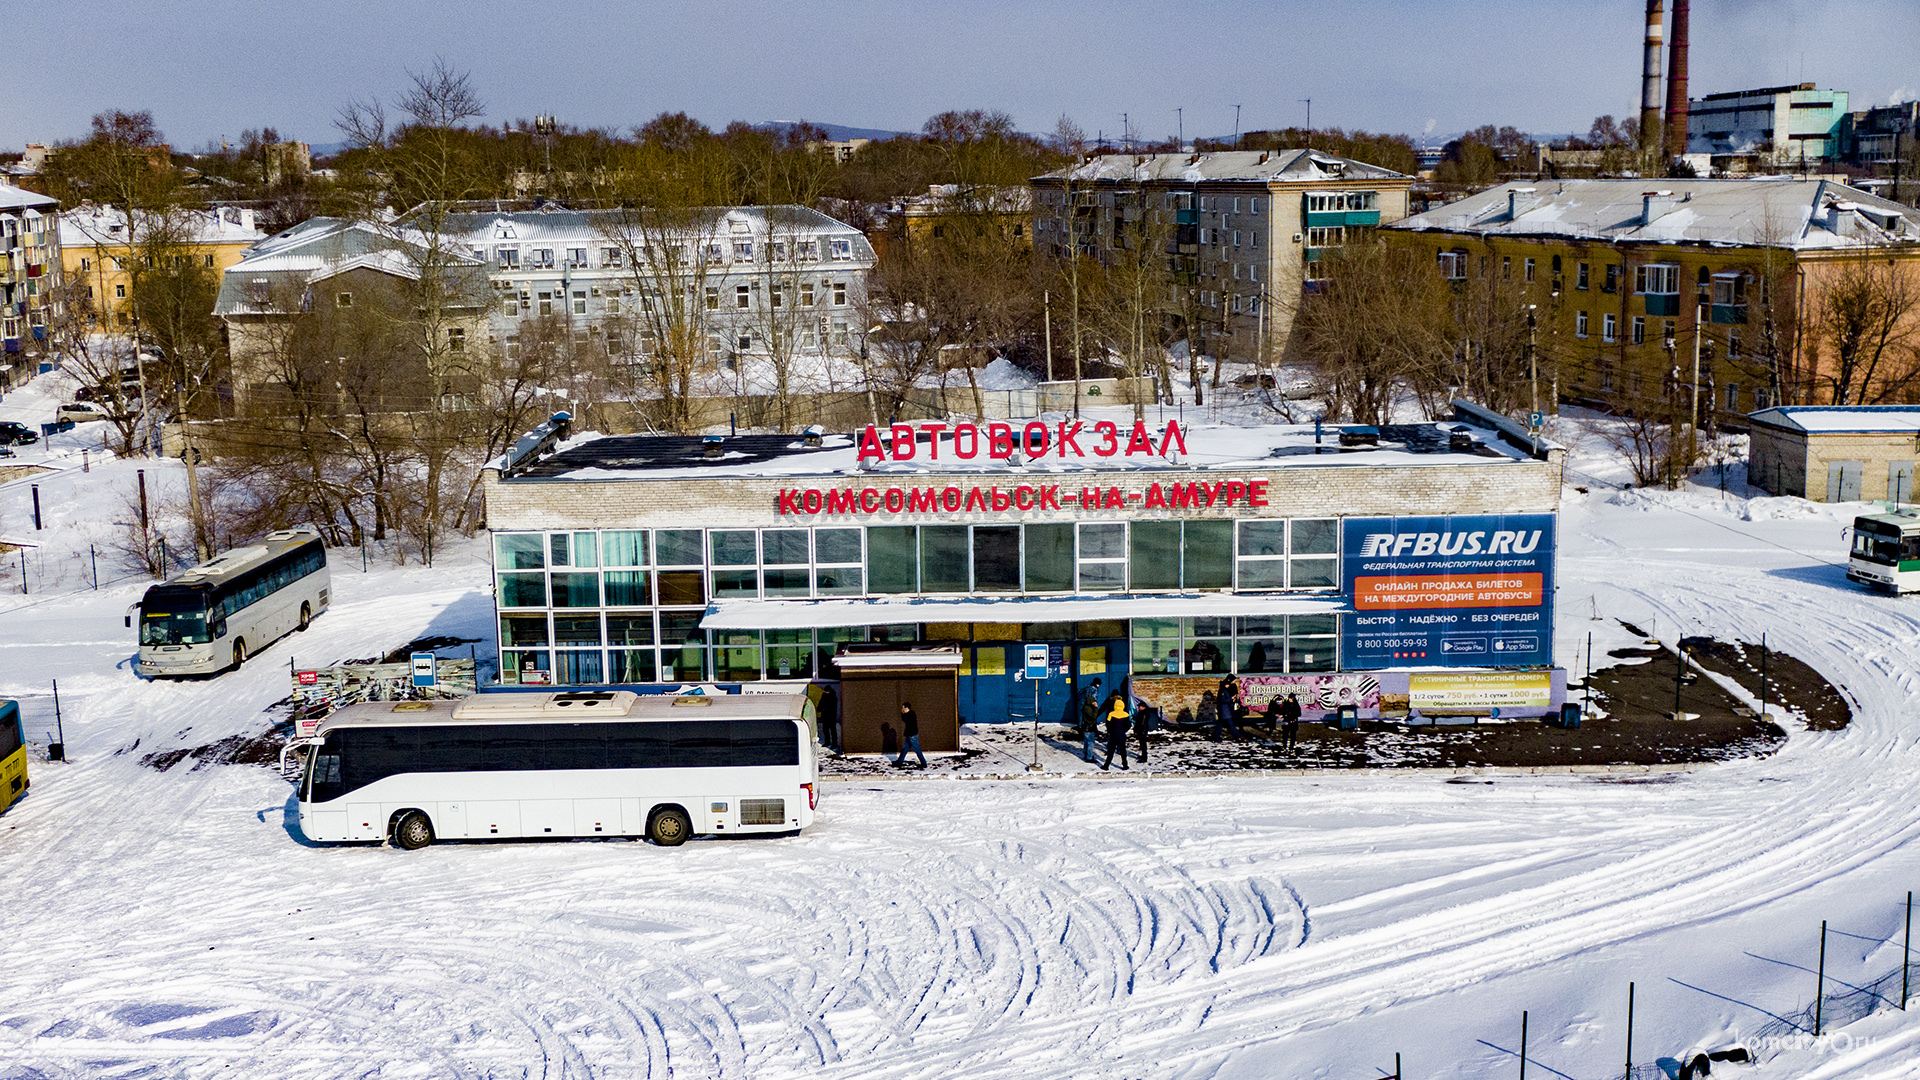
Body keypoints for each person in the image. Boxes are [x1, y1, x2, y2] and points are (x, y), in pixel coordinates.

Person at [1101, 690, 1130, 771]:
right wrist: (1123, 730)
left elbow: (1108, 724)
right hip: (1122, 734)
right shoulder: (1126, 714)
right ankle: (1125, 765)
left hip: (1113, 734)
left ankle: (1106, 765)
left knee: (1111, 751)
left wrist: (1110, 731)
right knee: (1123, 751)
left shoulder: (1111, 714)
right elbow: (1128, 725)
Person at [894, 700, 926, 768]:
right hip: (909, 735)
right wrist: (903, 713)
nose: (902, 709)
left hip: (912, 735)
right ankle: (899, 762)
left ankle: (924, 763)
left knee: (917, 749)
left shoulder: (911, 715)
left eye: (903, 708)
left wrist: (911, 734)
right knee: (905, 749)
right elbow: (904, 719)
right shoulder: (910, 714)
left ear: (907, 708)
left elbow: (910, 724)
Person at [1079, 680, 1102, 763]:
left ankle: (1086, 755)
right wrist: (1096, 708)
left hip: (1085, 726)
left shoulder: (1084, 707)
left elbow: (1081, 691)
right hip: (1090, 727)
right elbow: (1093, 716)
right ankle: (1089, 757)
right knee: (1091, 742)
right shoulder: (1089, 709)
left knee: (1086, 741)